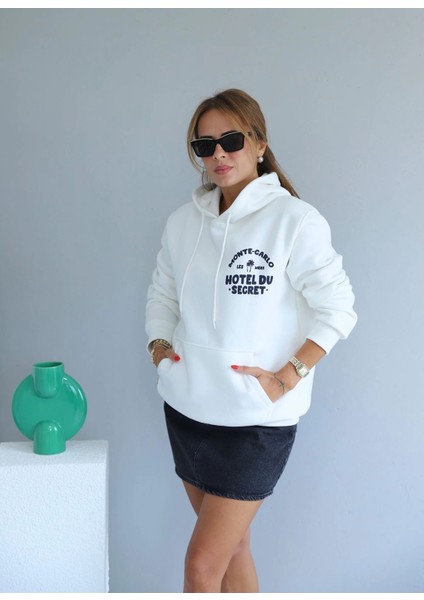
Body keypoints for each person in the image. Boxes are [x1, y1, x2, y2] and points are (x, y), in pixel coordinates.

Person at [145, 88, 357, 593]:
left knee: (201, 565)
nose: (218, 154)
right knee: (233, 549)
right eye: (205, 145)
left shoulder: (295, 221)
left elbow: (338, 308)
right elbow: (161, 295)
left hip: (255, 423)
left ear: (259, 143)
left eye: (232, 140)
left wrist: (288, 377)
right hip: (188, 411)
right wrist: (159, 351)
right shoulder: (181, 223)